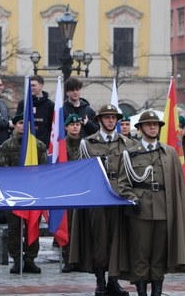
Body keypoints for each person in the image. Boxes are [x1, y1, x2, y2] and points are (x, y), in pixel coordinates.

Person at [114, 110, 185, 296]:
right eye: (149, 124)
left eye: (156, 125)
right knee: (141, 255)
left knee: (159, 255)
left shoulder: (169, 153)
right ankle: (142, 292)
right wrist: (132, 199)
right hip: (140, 210)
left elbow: (178, 184)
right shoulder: (130, 154)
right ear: (141, 128)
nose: (153, 127)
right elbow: (123, 183)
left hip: (164, 208)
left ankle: (157, 293)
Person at [70, 104, 135, 296]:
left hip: (119, 197)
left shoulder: (127, 143)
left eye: (114, 117)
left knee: (117, 240)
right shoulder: (88, 143)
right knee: (98, 239)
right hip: (97, 198)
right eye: (106, 117)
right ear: (99, 120)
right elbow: (82, 172)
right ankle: (100, 281)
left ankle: (113, 280)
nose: (111, 120)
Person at [0, 113, 48, 274]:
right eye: (20, 122)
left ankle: (30, 259)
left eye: (26, 123)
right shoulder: (7, 145)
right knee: (14, 228)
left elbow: (44, 169)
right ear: (14, 125)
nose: (23, 126)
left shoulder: (38, 145)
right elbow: (2, 168)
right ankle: (16, 259)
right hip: (13, 195)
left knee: (32, 227)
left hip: (32, 194)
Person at [59, 113, 83, 273]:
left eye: (78, 124)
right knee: (66, 226)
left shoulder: (86, 145)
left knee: (81, 227)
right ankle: (68, 259)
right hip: (66, 192)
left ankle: (81, 260)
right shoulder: (60, 146)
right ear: (66, 127)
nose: (75, 126)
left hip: (82, 191)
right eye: (72, 124)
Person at [15, 75, 54, 146]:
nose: (31, 88)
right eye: (29, 86)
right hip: (26, 145)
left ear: (41, 86)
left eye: (33, 85)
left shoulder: (50, 105)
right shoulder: (23, 103)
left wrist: (47, 143)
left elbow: (52, 127)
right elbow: (18, 123)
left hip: (44, 145)